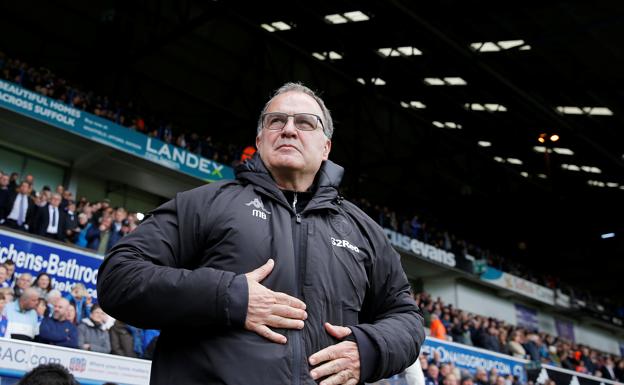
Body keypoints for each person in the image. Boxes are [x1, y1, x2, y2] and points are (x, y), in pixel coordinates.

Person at [97, 82, 425, 385]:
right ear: (259, 141)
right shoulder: (205, 203)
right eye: (276, 121)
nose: (289, 130)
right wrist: (228, 297)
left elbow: (405, 317)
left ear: (326, 147)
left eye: (305, 123)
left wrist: (368, 350)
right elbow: (119, 276)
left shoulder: (364, 230)